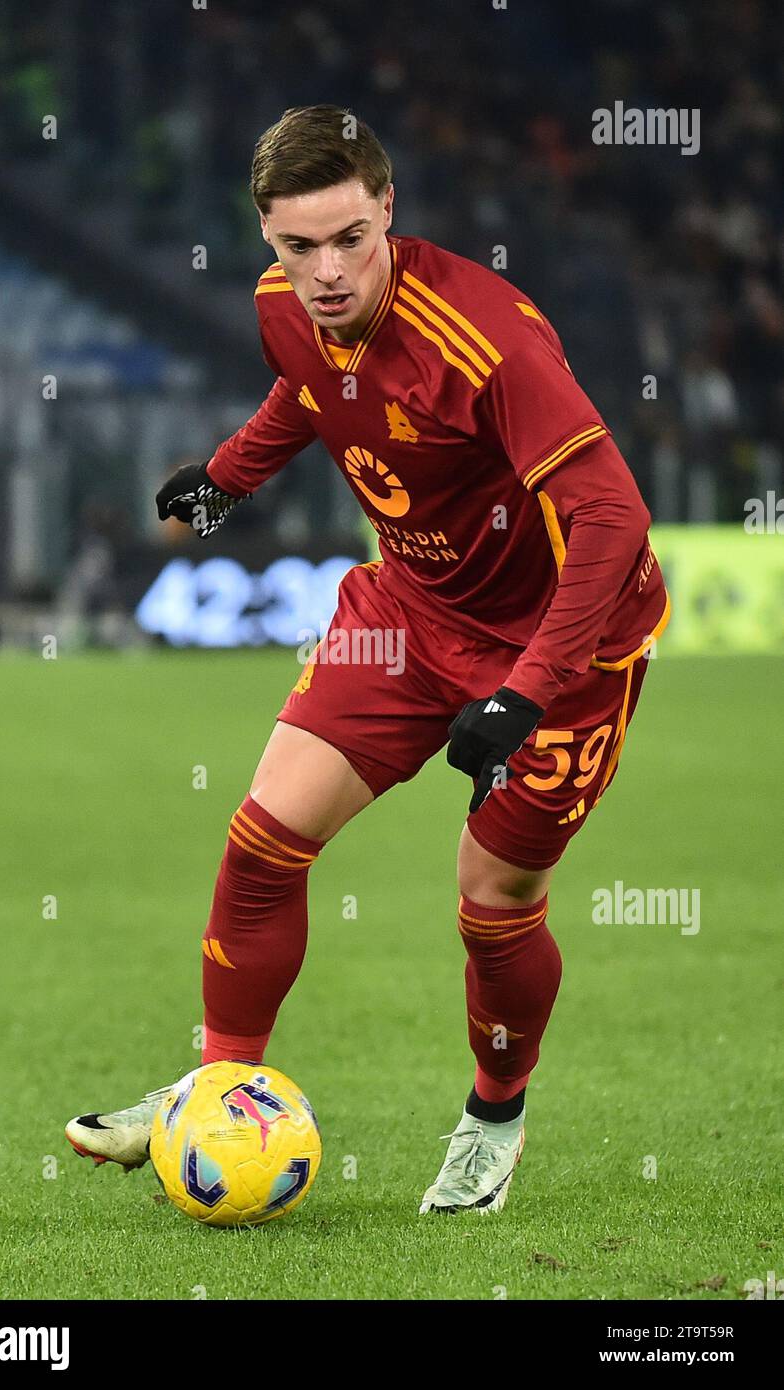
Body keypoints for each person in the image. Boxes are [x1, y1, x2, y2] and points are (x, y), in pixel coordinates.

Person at [66, 105, 670, 1214]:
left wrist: (524, 692)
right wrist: (228, 477)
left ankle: (493, 1112)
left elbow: (612, 521)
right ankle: (218, 1084)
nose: (327, 271)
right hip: (404, 609)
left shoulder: (484, 340)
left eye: (349, 237)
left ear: (387, 207)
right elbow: (314, 391)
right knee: (261, 839)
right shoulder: (281, 309)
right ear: (266, 239)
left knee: (491, 901)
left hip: (564, 651)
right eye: (298, 247)